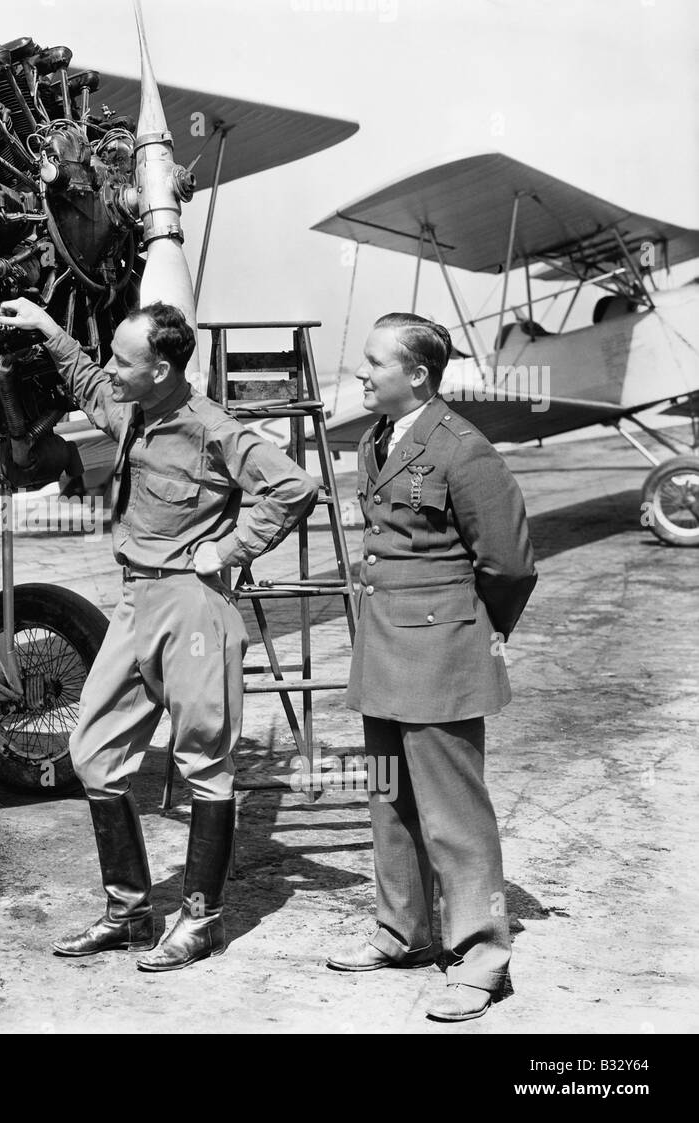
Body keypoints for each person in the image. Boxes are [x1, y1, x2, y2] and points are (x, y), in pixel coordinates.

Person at [0, 297, 319, 971]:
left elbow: (292, 487)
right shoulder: (132, 410)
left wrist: (229, 549)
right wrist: (49, 329)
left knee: (204, 762)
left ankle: (201, 919)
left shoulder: (213, 430)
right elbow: (89, 382)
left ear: (164, 368)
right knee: (92, 753)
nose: (112, 369)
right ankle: (131, 912)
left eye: (125, 359)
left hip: (192, 606)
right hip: (135, 602)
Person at [326, 313, 538, 1022]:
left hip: (442, 653)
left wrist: (479, 631)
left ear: (417, 374)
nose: (361, 371)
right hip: (385, 649)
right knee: (389, 802)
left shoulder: (463, 449)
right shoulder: (376, 439)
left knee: (455, 815)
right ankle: (404, 931)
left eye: (373, 362)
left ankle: (482, 955)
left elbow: (507, 561)